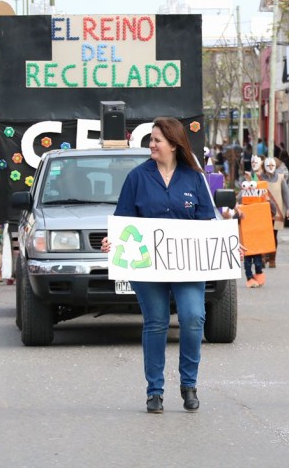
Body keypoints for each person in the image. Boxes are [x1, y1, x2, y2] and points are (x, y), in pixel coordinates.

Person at [100, 117, 216, 414]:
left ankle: (188, 384)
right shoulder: (137, 178)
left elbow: (208, 223)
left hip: (187, 265)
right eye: (150, 139)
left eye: (156, 140)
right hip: (147, 266)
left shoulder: (194, 178)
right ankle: (155, 391)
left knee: (192, 318)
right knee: (156, 323)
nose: (151, 145)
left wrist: (228, 245)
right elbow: (124, 221)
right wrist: (111, 242)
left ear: (174, 145)